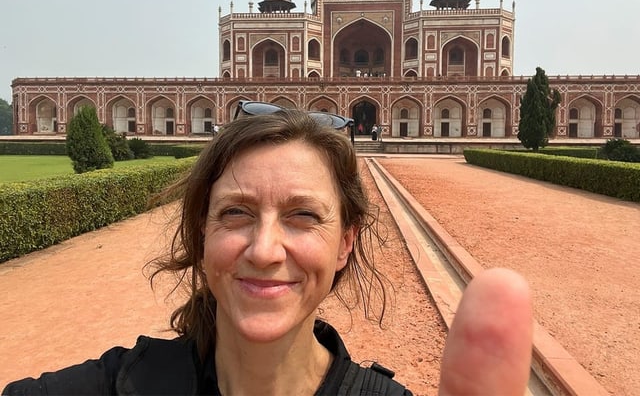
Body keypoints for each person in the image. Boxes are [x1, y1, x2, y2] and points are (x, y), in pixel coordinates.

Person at [3, 108, 533, 396]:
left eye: (303, 214)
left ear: (346, 243)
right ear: (200, 231)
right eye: (235, 212)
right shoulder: (118, 387)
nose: (264, 249)